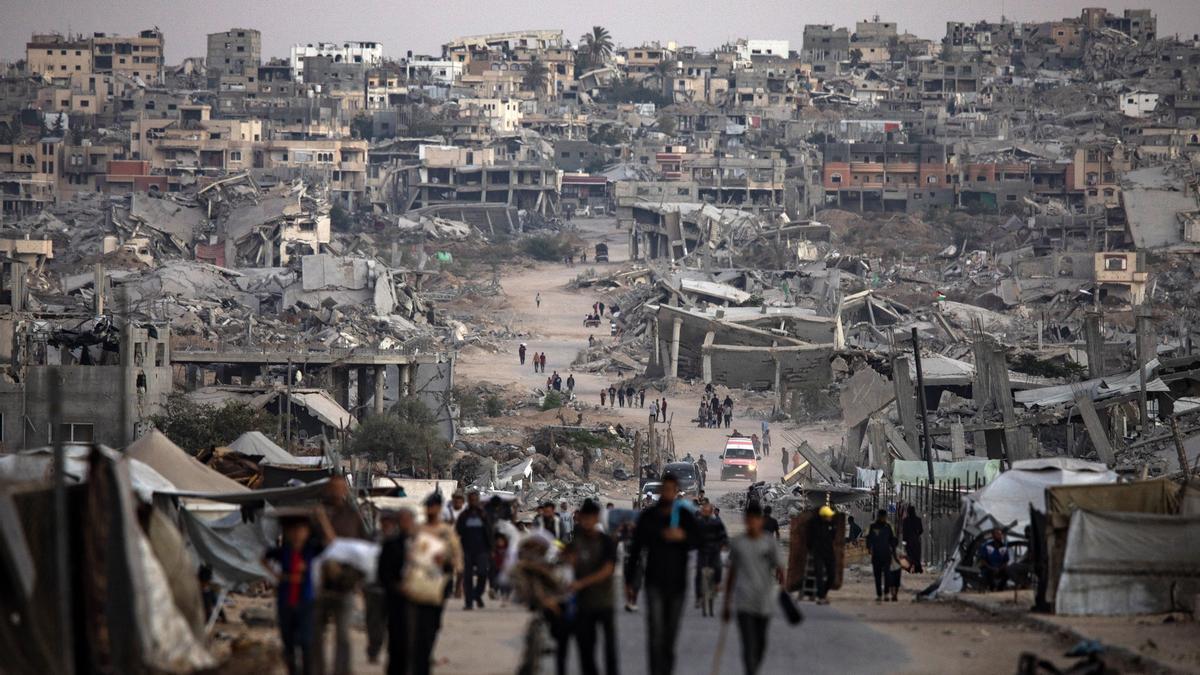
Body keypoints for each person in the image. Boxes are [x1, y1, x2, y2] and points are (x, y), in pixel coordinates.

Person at [629, 472, 698, 674]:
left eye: (671, 490)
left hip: (677, 584)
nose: (667, 493)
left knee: (669, 635)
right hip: (654, 582)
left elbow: (698, 539)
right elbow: (636, 549)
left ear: (676, 492)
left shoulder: (684, 516)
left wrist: (683, 536)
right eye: (664, 489)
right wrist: (630, 581)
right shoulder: (650, 516)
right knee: (655, 633)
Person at [263, 510, 334, 675]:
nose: (296, 534)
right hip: (285, 601)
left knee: (306, 643)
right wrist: (278, 576)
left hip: (306, 602)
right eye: (292, 531)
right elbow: (263, 558)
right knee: (288, 643)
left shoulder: (311, 549)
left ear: (307, 532)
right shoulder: (282, 551)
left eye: (300, 530)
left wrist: (323, 519)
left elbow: (331, 543)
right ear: (287, 533)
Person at [313, 478, 367, 675]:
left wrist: (357, 579)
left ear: (345, 490)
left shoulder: (353, 516)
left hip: (345, 585)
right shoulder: (316, 515)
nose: (336, 493)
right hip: (319, 586)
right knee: (316, 635)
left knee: (343, 635)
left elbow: (362, 548)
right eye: (333, 489)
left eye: (340, 489)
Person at [723, 500, 784, 675]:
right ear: (745, 520)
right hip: (744, 602)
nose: (752, 523)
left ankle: (753, 669)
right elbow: (731, 574)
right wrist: (727, 603)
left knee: (761, 644)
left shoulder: (770, 544)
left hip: (764, 602)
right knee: (748, 644)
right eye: (749, 519)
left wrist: (783, 590)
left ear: (761, 521)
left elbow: (780, 569)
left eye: (755, 519)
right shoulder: (737, 543)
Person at [410, 493, 464, 675]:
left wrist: (453, 570)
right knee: (417, 620)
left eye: (433, 506)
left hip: (440, 583)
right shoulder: (418, 530)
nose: (430, 510)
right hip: (419, 580)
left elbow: (456, 557)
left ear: (439, 508)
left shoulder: (446, 531)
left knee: (433, 621)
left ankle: (427, 651)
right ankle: (421, 655)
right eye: (428, 506)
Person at [567, 499, 619, 675]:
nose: (587, 522)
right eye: (584, 518)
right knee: (585, 646)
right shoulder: (577, 541)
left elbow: (607, 570)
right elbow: (570, 563)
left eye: (590, 518)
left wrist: (582, 583)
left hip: (604, 601)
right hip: (584, 603)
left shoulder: (606, 542)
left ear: (596, 518)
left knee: (609, 646)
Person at [377, 508, 416, 675]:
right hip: (396, 600)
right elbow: (382, 572)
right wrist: (395, 586)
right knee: (396, 640)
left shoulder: (421, 544)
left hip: (417, 601)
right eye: (402, 520)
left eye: (408, 520)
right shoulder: (390, 544)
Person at [456, 490, 494, 610]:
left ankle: (477, 595)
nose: (473, 501)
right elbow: (458, 531)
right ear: (468, 501)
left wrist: (491, 549)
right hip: (467, 550)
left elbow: (490, 532)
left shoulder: (484, 515)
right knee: (467, 577)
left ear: (478, 500)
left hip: (482, 550)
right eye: (471, 499)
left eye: (475, 499)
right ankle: (469, 602)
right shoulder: (464, 515)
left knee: (482, 574)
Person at [694, 501, 727, 609]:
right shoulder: (698, 523)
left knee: (718, 567)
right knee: (699, 572)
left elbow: (723, 536)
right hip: (702, 551)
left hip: (714, 551)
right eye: (704, 511)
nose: (706, 513)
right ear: (702, 512)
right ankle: (698, 597)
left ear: (711, 512)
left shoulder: (716, 523)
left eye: (708, 511)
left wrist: (722, 545)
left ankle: (717, 583)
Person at [807, 505, 837, 605]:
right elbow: (809, 538)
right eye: (828, 516)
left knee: (832, 575)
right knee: (819, 575)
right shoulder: (814, 524)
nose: (830, 517)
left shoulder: (831, 524)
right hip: (818, 553)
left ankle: (823, 593)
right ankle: (821, 597)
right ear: (824, 516)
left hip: (829, 553)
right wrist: (811, 549)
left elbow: (833, 537)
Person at [866, 510, 897, 603]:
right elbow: (869, 539)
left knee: (887, 575)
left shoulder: (888, 527)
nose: (883, 518)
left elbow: (893, 539)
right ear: (878, 516)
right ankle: (879, 594)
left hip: (886, 554)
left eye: (884, 517)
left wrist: (893, 549)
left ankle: (886, 593)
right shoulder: (872, 526)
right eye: (881, 516)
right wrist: (869, 548)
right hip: (876, 555)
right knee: (877, 575)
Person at [901, 505, 924, 574]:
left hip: (908, 541)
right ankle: (917, 568)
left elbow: (904, 531)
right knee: (916, 554)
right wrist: (917, 534)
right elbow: (921, 530)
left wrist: (904, 540)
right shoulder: (918, 519)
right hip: (916, 540)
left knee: (910, 554)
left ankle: (910, 567)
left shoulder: (905, 521)